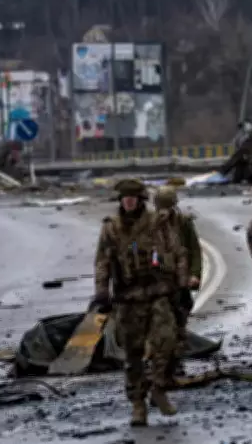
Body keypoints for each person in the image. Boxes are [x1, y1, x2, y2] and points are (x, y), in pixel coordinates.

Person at [91, 179, 188, 427]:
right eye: (125, 198)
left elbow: (178, 252)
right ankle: (138, 403)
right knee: (132, 353)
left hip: (157, 293)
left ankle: (159, 387)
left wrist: (182, 284)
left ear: (141, 200)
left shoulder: (158, 223)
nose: (129, 202)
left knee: (167, 342)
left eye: (133, 198)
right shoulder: (111, 228)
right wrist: (101, 291)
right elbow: (102, 261)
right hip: (128, 298)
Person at [153, 185, 203, 381]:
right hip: (158, 281)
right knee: (162, 325)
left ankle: (176, 362)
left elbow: (194, 249)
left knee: (179, 322)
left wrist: (195, 274)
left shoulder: (183, 223)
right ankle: (162, 363)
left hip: (180, 281)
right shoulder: (148, 223)